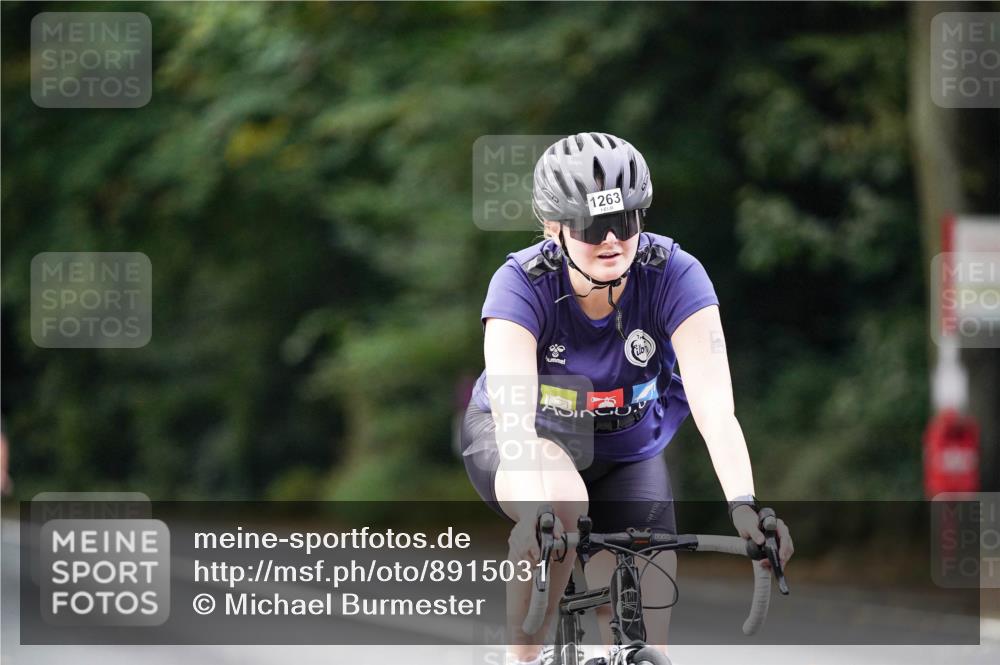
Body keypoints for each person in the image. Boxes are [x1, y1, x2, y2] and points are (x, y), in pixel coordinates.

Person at [461, 132, 793, 664]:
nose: (613, 240)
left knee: (645, 643)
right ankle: (521, 657)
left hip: (628, 454)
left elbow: (715, 408)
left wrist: (745, 506)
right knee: (560, 506)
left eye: (628, 222)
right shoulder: (519, 284)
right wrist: (531, 512)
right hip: (529, 444)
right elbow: (516, 422)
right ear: (554, 228)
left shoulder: (675, 275)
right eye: (593, 227)